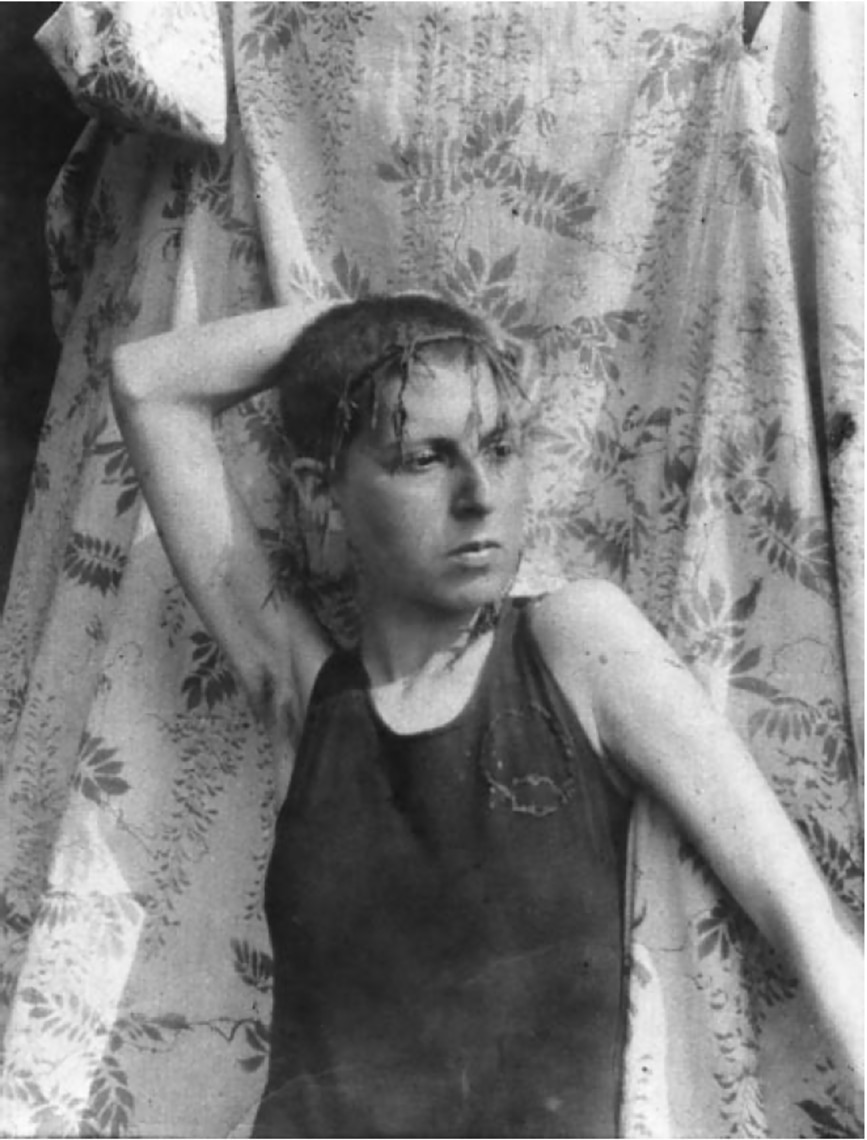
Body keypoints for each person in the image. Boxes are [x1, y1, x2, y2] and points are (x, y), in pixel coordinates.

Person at [110, 293, 863, 1139]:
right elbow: (147, 384)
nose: (478, 494)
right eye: (423, 458)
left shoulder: (575, 644)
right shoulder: (310, 703)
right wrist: (402, 319)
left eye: (499, 448)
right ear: (321, 493)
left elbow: (802, 918)